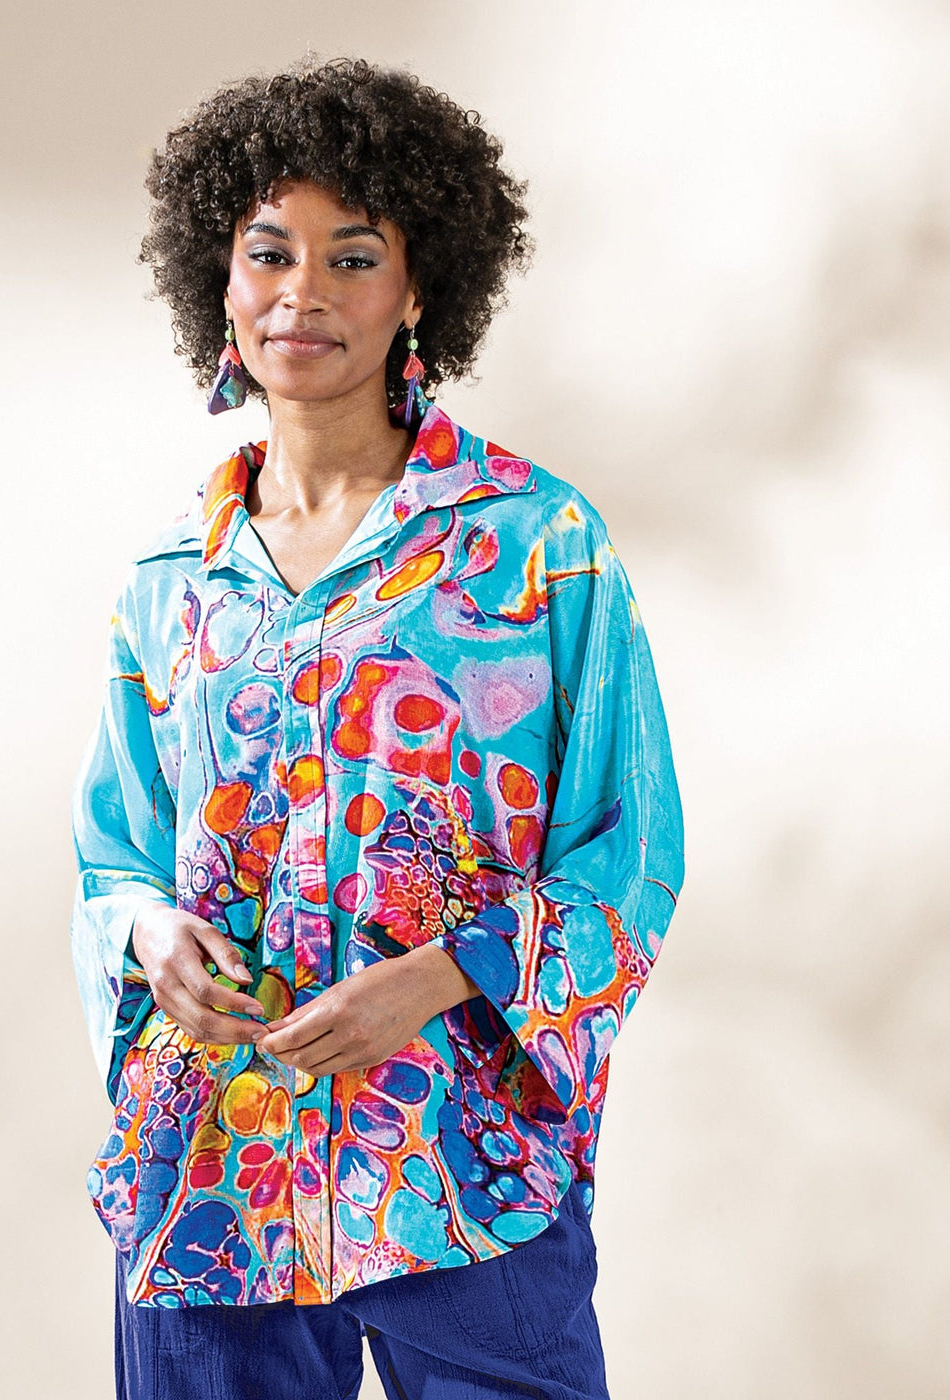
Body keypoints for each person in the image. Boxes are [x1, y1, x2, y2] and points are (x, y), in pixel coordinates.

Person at [69, 56, 686, 1400]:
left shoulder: (541, 548)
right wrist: (151, 937)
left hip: (463, 1168)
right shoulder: (169, 581)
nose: (303, 292)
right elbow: (113, 857)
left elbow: (628, 856)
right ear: (220, 286)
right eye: (269, 253)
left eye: (352, 257)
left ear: (418, 290)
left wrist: (439, 977)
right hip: (211, 1170)